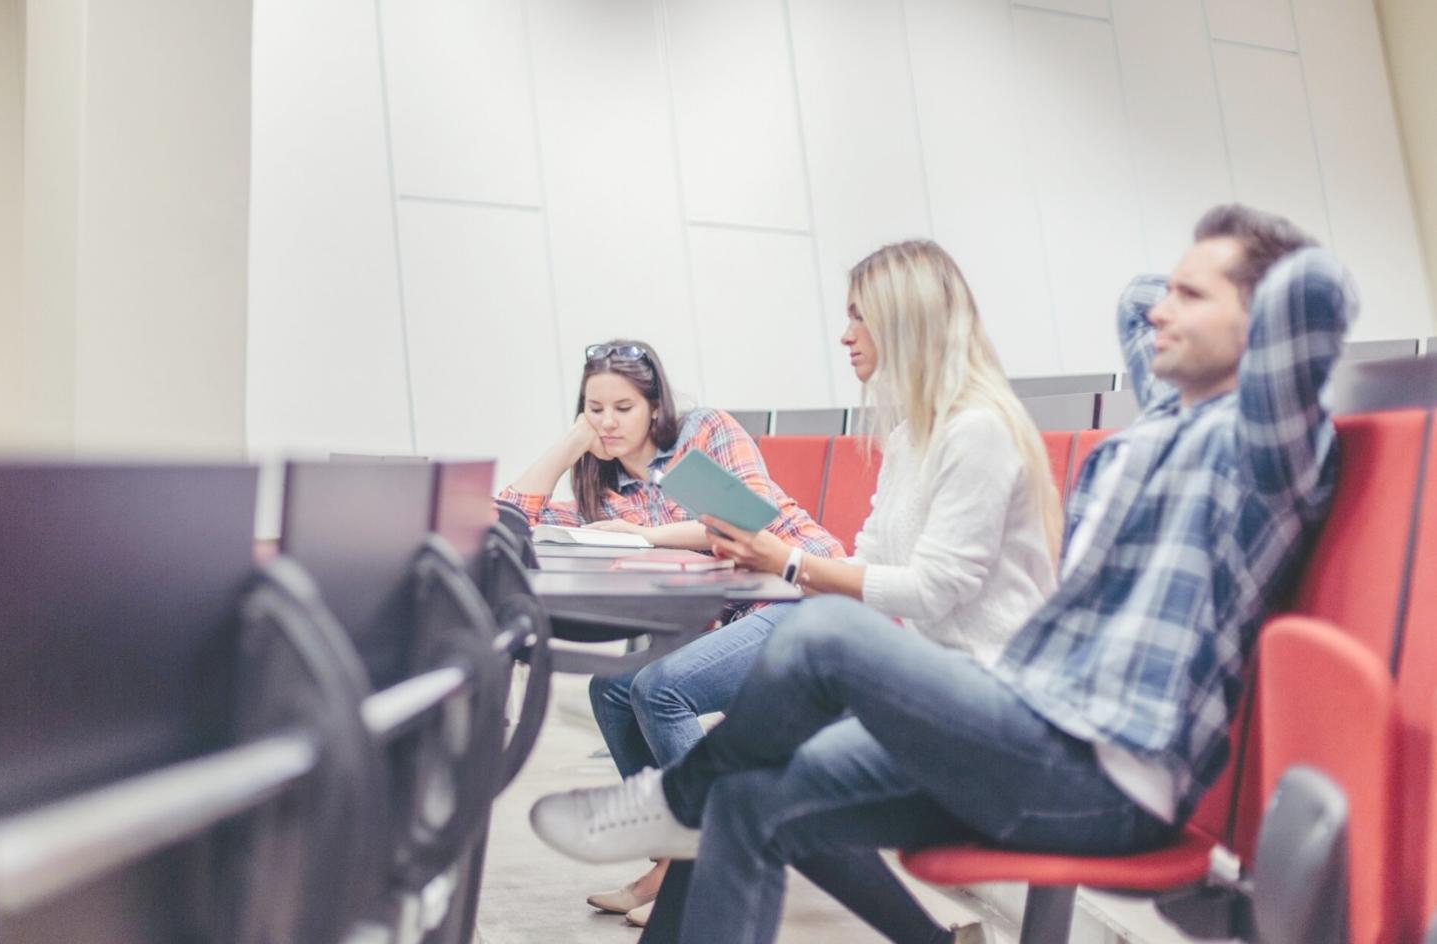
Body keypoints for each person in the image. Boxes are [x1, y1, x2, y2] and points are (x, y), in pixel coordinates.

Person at [528, 204, 1352, 944]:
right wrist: (1195, 282)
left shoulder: (1261, 448)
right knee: (744, 800)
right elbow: (1137, 302)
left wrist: (1248, 264)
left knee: (820, 634)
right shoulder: (1161, 429)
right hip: (1026, 723)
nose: (1161, 310)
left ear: (1263, 325)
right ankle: (690, 807)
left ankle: (673, 802)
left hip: (1102, 771)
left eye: (1193, 295)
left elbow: (1312, 291)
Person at [499, 340, 847, 926]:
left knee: (661, 688)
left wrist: (646, 537)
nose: (607, 423)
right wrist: (568, 446)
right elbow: (509, 518)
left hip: (806, 595)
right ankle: (672, 857)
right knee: (611, 691)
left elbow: (750, 517)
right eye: (594, 410)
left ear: (655, 406)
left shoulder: (705, 430)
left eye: (623, 408)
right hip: (742, 617)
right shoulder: (608, 490)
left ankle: (708, 865)